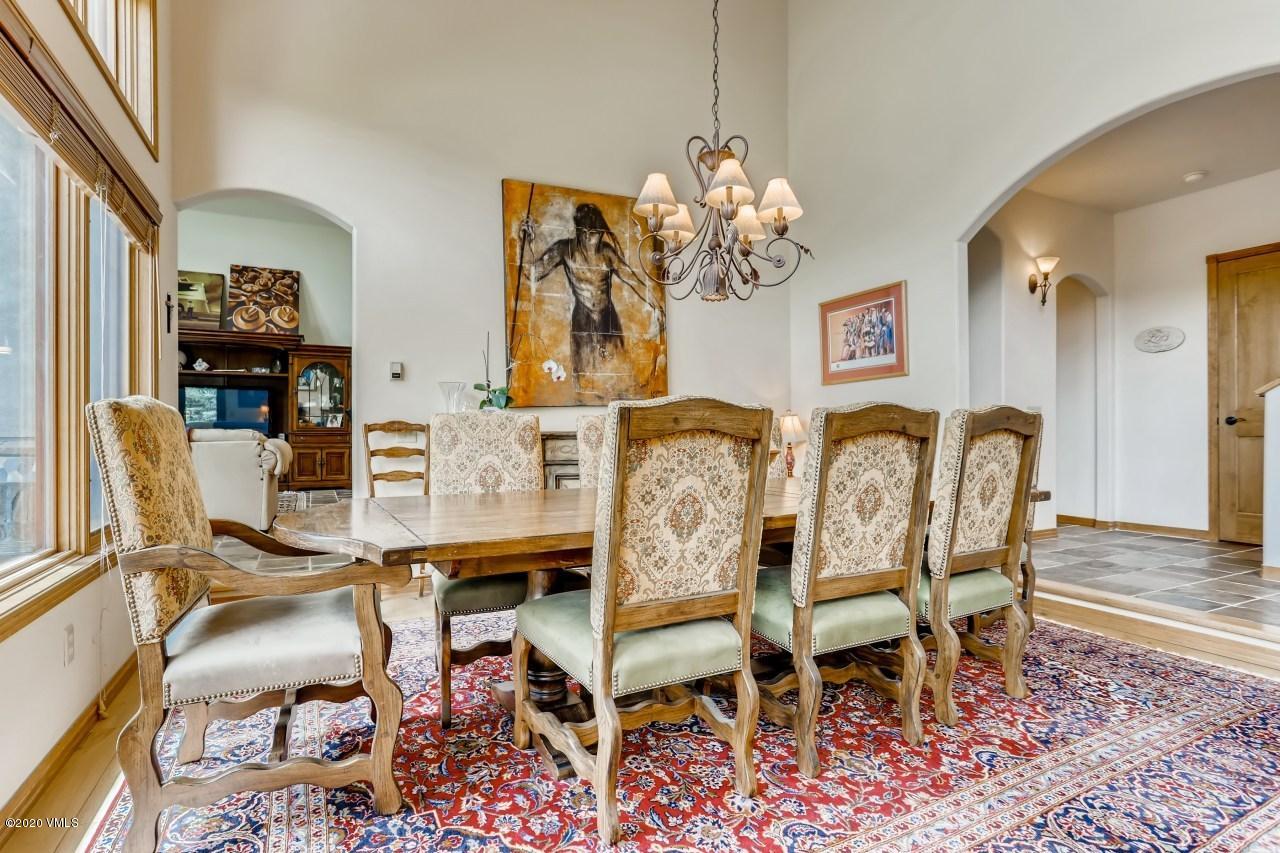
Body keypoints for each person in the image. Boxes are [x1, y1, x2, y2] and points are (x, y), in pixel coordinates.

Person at [525, 203, 662, 379]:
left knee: (617, 372)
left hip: (607, 316)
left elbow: (634, 282)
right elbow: (533, 273)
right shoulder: (565, 249)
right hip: (582, 316)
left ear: (601, 233)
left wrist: (657, 306)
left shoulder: (607, 253)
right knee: (583, 373)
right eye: (584, 232)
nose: (588, 238)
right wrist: (527, 242)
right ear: (577, 230)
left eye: (593, 233)